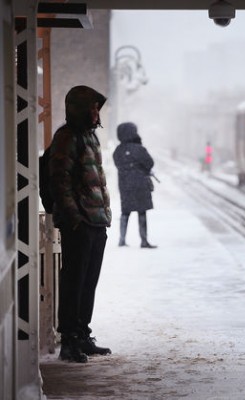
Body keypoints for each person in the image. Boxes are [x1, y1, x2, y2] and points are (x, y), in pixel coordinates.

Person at [49, 85, 112, 363]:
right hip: (81, 223)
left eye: (97, 107)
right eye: (92, 107)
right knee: (74, 282)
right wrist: (75, 219)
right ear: (79, 109)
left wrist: (101, 218)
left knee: (88, 283)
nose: (96, 112)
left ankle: (83, 334)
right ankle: (69, 341)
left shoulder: (90, 137)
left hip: (96, 222)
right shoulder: (67, 137)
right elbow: (60, 182)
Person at [112, 122, 157, 249]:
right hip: (140, 184)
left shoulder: (118, 150)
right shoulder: (139, 149)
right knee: (142, 211)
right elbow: (150, 163)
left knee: (125, 211)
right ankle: (144, 240)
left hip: (125, 185)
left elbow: (117, 164)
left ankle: (122, 239)